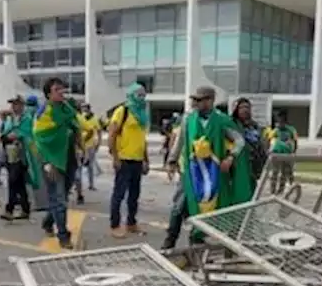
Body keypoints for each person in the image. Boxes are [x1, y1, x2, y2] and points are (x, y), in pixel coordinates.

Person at [161, 86, 250, 250]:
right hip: (191, 172)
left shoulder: (222, 120)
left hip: (214, 174)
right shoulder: (188, 119)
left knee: (210, 206)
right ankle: (170, 240)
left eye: (200, 100)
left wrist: (230, 157)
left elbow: (239, 141)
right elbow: (180, 141)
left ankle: (198, 238)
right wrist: (172, 161)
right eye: (194, 100)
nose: (195, 103)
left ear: (210, 101)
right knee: (179, 205)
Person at [33, 78, 79, 249]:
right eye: (57, 89)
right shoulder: (44, 112)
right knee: (59, 199)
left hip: (69, 158)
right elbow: (40, 138)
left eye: (62, 88)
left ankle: (47, 222)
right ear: (48, 94)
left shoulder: (67, 109)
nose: (61, 92)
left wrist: (79, 148)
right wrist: (46, 162)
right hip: (51, 161)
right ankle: (63, 236)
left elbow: (76, 127)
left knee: (62, 197)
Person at [107, 82, 149, 239]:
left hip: (137, 160)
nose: (142, 97)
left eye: (143, 94)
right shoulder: (122, 111)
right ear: (131, 95)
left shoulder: (143, 114)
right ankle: (115, 225)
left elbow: (142, 139)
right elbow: (111, 135)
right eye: (138, 94)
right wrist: (115, 157)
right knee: (119, 194)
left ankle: (131, 223)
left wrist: (146, 160)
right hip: (124, 160)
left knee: (134, 195)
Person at [0, 95, 38, 221]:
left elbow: (26, 133)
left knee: (12, 181)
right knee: (19, 183)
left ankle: (9, 209)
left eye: (16, 104)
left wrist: (14, 136)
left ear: (22, 105)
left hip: (22, 154)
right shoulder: (11, 119)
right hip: (11, 153)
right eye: (12, 104)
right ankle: (25, 208)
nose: (13, 106)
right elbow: (5, 131)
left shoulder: (26, 118)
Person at [232, 98, 268, 186]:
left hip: (254, 167)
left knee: (253, 193)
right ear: (236, 109)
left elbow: (261, 144)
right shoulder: (232, 125)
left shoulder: (255, 126)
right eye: (241, 107)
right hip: (239, 167)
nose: (245, 110)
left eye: (247, 107)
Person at [267, 111, 298, 194]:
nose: (279, 124)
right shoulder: (275, 131)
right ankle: (273, 191)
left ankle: (282, 189)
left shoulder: (291, 130)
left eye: (280, 122)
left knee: (285, 173)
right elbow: (269, 140)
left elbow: (295, 141)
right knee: (275, 172)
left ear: (284, 121)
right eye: (277, 122)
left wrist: (294, 152)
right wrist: (269, 150)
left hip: (287, 154)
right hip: (276, 154)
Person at [78, 102, 103, 197]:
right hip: (81, 145)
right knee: (79, 165)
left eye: (85, 108)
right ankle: (78, 184)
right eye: (82, 108)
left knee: (90, 165)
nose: (83, 110)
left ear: (88, 109)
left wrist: (99, 143)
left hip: (90, 145)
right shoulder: (80, 118)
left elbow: (99, 131)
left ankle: (91, 184)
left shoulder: (94, 119)